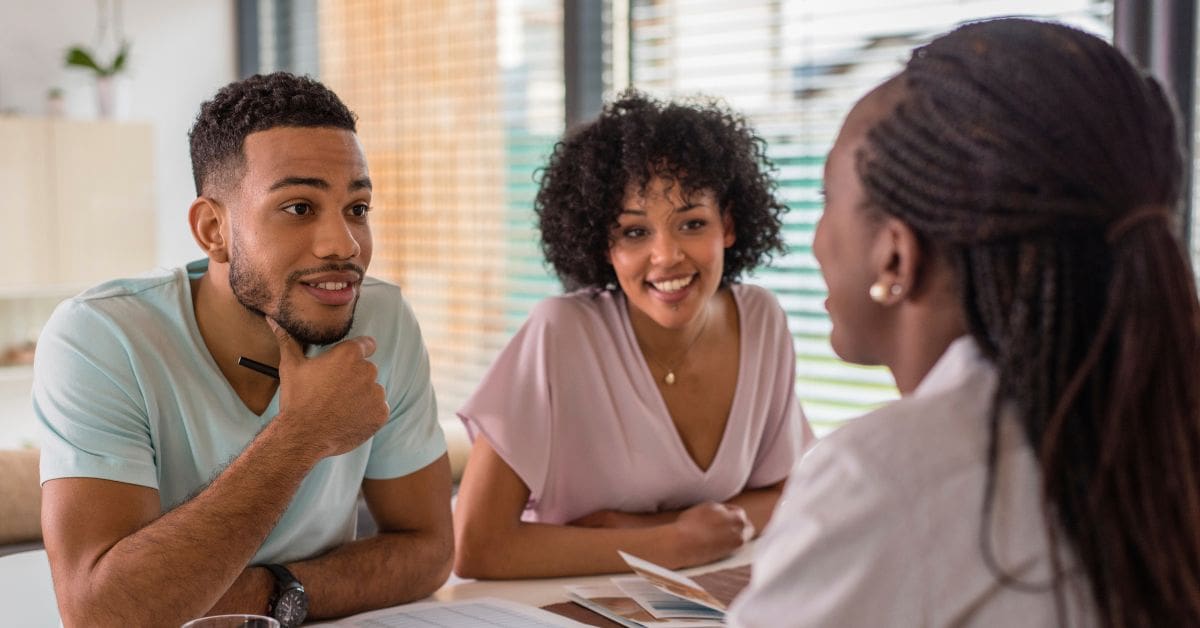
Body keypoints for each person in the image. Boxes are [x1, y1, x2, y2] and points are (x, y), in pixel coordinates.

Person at [729, 18, 1200, 627]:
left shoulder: (882, 481)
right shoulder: (1161, 432)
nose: (815, 242)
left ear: (895, 254)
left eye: (825, 200)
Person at [34, 72, 453, 627]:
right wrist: (300, 436)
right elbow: (102, 615)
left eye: (357, 207)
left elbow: (428, 551)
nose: (345, 245)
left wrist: (275, 596)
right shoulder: (99, 338)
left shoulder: (383, 320)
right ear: (213, 229)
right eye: (299, 208)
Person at [453, 91, 814, 579]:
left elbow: (783, 490)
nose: (666, 257)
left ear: (727, 225)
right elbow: (477, 546)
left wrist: (659, 531)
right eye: (635, 232)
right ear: (603, 242)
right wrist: (671, 544)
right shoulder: (560, 333)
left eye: (691, 223)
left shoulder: (761, 319)